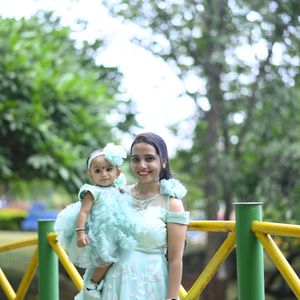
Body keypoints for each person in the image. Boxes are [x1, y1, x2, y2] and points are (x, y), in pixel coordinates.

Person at [97, 132, 189, 300]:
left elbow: (176, 259)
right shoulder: (120, 194)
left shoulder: (172, 203)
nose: (142, 165)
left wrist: (173, 297)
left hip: (151, 284)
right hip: (115, 284)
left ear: (163, 161)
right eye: (136, 159)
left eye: (149, 158)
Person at [54, 143, 137, 299]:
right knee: (106, 259)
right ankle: (92, 283)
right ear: (90, 174)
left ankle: (105, 284)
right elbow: (83, 212)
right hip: (101, 233)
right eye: (98, 170)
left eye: (108, 169)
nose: (104, 174)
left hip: (116, 231)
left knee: (117, 257)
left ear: (117, 172)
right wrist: (80, 232)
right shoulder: (92, 191)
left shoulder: (119, 190)